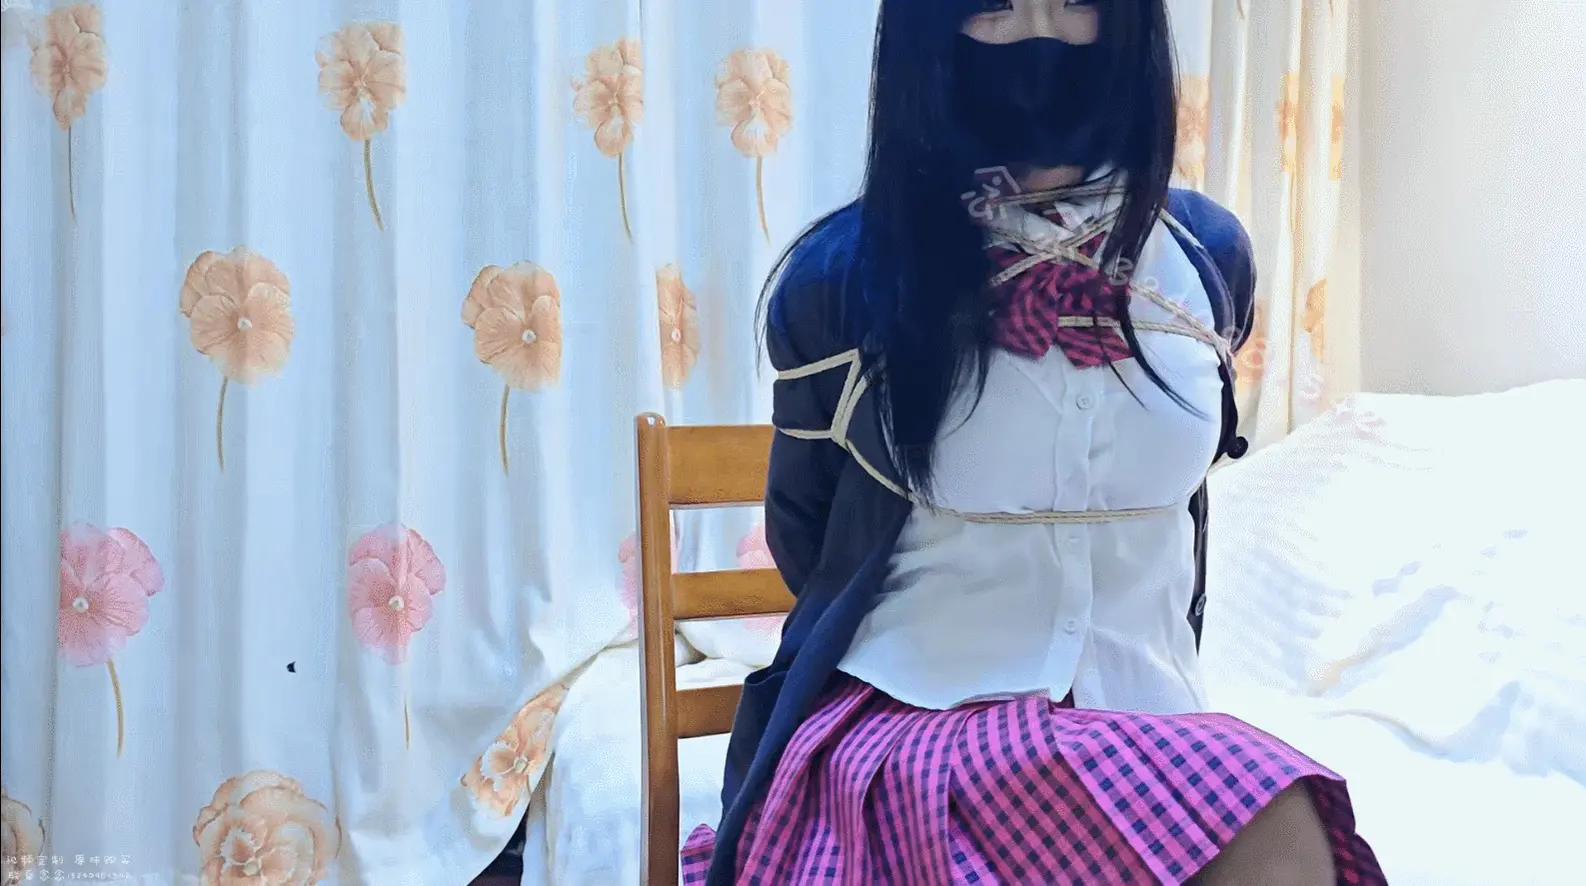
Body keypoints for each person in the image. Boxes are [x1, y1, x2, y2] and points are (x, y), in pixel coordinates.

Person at [682, 1, 1386, 883]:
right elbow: (807, 536)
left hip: (1150, 729)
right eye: (995, 5)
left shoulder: (1207, 260)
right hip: (914, 724)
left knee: (1270, 820)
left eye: (1076, 2)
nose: (1038, 32)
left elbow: (1182, 512)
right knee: (1278, 816)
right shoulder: (840, 281)